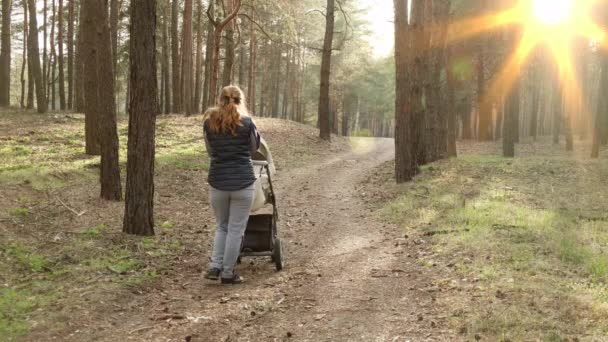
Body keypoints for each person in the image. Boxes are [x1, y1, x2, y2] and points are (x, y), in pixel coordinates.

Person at [203, 85, 261, 284]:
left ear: (220, 99)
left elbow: (210, 152)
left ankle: (214, 266)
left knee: (222, 227)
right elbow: (254, 148)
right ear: (240, 100)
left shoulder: (209, 123)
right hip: (243, 183)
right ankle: (227, 273)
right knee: (236, 229)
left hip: (218, 182)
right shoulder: (247, 123)